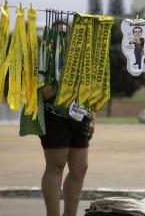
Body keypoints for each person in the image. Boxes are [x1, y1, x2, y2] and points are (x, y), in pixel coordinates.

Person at [39, 21, 95, 216]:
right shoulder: (44, 57)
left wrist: (92, 115)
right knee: (56, 166)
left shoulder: (80, 58)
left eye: (67, 35)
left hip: (80, 116)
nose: (64, 39)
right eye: (59, 35)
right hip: (54, 116)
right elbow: (43, 93)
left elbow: (89, 88)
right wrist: (62, 77)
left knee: (80, 169)